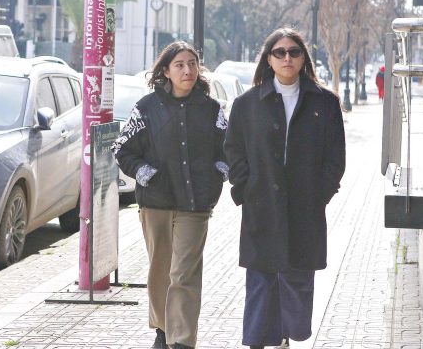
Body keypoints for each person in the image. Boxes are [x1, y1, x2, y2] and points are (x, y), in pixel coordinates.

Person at [224, 28, 346, 349]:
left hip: (304, 211)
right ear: (268, 59)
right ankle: (262, 341)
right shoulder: (247, 104)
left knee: (297, 280)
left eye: (293, 51)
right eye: (279, 52)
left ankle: (286, 338)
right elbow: (233, 152)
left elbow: (335, 161)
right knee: (262, 281)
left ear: (303, 57)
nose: (287, 57)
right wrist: (246, 190)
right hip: (261, 209)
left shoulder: (326, 103)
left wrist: (318, 196)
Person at [113, 41, 227, 349]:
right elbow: (122, 150)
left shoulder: (212, 109)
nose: (188, 70)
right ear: (166, 70)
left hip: (196, 205)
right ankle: (163, 331)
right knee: (160, 271)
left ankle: (182, 342)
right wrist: (144, 172)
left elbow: (228, 149)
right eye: (179, 64)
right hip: (156, 203)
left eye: (192, 63)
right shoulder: (146, 108)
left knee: (184, 274)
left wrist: (217, 175)